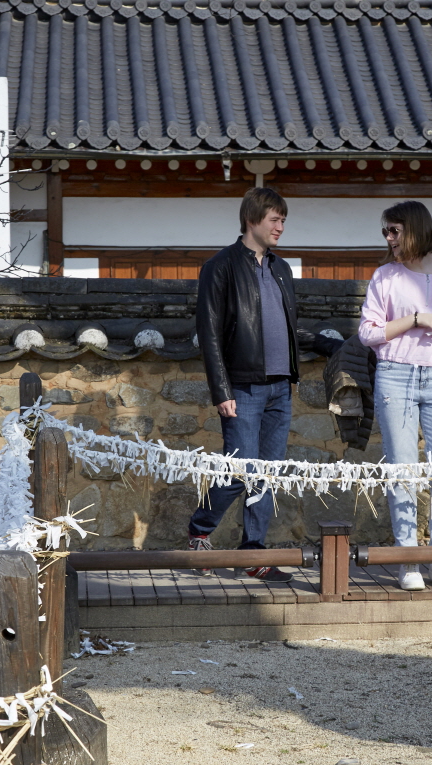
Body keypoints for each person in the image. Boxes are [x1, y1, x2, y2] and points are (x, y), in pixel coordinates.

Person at [358, 200, 432, 592]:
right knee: (402, 470)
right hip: (395, 376)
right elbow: (368, 332)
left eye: (394, 231)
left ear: (415, 230)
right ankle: (407, 559)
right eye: (385, 232)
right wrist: (414, 319)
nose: (388, 238)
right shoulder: (385, 276)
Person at [187, 187, 299, 582]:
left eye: (283, 220)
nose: (280, 227)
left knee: (266, 474)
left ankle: (253, 553)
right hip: (242, 388)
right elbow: (210, 334)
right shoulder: (220, 266)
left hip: (280, 388)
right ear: (252, 219)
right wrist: (222, 391)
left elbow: (288, 327)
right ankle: (200, 531)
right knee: (239, 471)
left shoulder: (282, 269)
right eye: (274, 219)